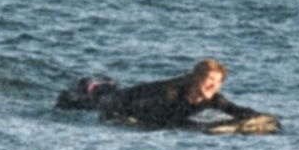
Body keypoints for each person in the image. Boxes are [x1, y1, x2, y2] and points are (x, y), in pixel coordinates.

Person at [56, 58, 279, 132]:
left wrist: (260, 118)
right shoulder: (170, 93)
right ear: (196, 78)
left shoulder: (213, 99)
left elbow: (235, 110)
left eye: (217, 82)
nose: (212, 85)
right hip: (128, 100)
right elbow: (138, 113)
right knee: (94, 100)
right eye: (208, 79)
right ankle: (92, 85)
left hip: (151, 111)